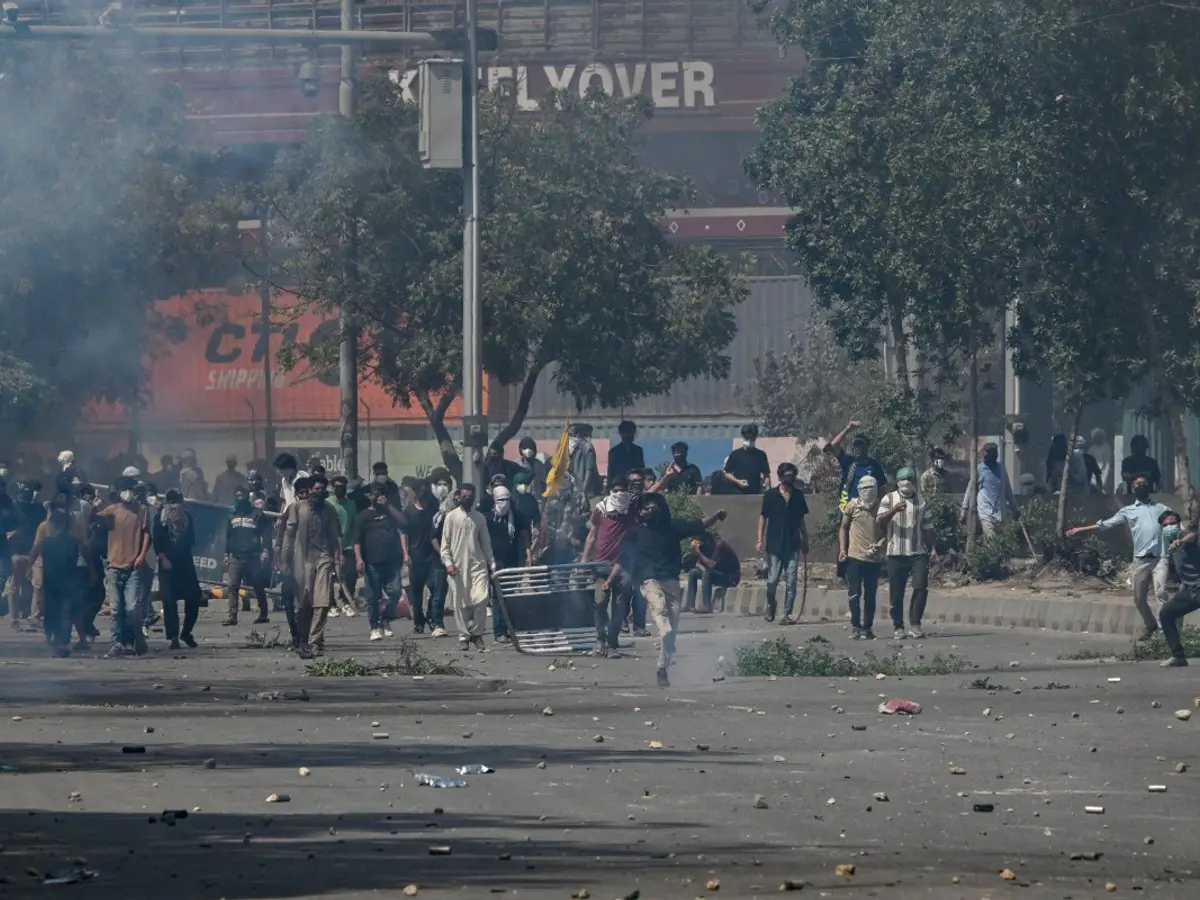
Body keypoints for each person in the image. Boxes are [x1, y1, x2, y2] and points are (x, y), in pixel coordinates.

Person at [616, 492, 726, 687]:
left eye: (654, 506)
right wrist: (624, 575)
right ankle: (664, 630)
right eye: (646, 507)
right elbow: (623, 556)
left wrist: (716, 516)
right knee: (659, 608)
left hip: (671, 579)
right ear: (641, 510)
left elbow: (698, 524)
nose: (650, 510)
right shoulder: (635, 531)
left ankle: (662, 668)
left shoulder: (672, 527)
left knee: (672, 623)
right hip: (648, 580)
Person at [1066, 474, 1166, 638]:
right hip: (1141, 559)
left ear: (1149, 487)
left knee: (1161, 593)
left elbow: (1176, 525)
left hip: (1160, 558)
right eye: (1137, 484)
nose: (1140, 486)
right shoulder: (1128, 511)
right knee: (1139, 598)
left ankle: (1163, 631)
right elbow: (1106, 524)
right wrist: (1080, 530)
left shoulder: (1161, 508)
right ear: (1133, 489)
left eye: (1144, 483)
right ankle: (1151, 625)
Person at [282, 473, 342, 658]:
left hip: (323, 559)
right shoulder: (297, 508)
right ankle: (302, 639)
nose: (320, 492)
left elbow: (334, 536)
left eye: (323, 489)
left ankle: (314, 642)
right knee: (304, 604)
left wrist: (338, 559)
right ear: (310, 490)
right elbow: (289, 535)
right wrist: (284, 559)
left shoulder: (329, 510)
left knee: (322, 602)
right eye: (317, 488)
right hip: (302, 561)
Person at [878, 466, 937, 640]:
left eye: (910, 479)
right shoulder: (889, 499)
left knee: (920, 587)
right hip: (895, 551)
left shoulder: (922, 500)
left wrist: (933, 548)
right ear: (896, 482)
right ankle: (898, 626)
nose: (906, 482)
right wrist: (894, 510)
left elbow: (928, 527)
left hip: (917, 551)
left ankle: (915, 624)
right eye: (903, 479)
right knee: (896, 592)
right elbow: (880, 522)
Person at [583, 474, 639, 657]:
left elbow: (650, 493)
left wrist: (666, 478)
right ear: (610, 491)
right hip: (601, 564)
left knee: (620, 607)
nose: (619, 493)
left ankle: (612, 643)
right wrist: (584, 559)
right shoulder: (601, 509)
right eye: (616, 490)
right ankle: (601, 639)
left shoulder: (630, 508)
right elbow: (592, 535)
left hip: (623, 567)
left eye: (623, 490)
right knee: (599, 603)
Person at [96, 475, 152, 657]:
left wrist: (142, 555)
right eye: (125, 489)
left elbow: (146, 534)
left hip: (133, 567)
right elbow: (93, 521)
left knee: (131, 609)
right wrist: (94, 508)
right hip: (113, 567)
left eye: (131, 489)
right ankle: (116, 644)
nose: (128, 493)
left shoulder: (141, 511)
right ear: (119, 492)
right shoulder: (111, 511)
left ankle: (137, 638)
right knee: (115, 610)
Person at [438, 483, 495, 650]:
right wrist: (448, 564)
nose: (467, 499)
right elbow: (445, 546)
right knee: (460, 603)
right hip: (457, 567)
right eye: (464, 496)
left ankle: (477, 634)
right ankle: (464, 637)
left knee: (482, 598)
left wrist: (492, 564)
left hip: (478, 565)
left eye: (470, 496)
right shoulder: (451, 517)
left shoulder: (480, 518)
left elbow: (486, 544)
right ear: (458, 497)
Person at [28, 506, 86, 657]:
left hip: (54, 583)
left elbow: (33, 553)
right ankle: (61, 643)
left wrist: (29, 568)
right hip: (65, 583)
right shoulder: (71, 542)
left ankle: (58, 642)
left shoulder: (47, 542)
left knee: (54, 613)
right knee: (63, 613)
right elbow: (86, 552)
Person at [756, 462, 809, 624]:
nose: (789, 478)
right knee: (772, 580)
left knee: (791, 581)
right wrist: (759, 540)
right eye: (786, 475)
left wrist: (805, 539)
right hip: (774, 544)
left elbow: (801, 520)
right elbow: (763, 517)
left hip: (792, 544)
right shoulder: (771, 495)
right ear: (780, 477)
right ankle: (771, 605)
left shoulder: (798, 496)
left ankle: (787, 613)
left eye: (792, 475)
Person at [354, 482, 408, 641]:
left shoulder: (390, 513)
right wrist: (358, 559)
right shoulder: (362, 516)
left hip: (392, 561)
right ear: (369, 496)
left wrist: (388, 506)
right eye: (374, 494)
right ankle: (374, 627)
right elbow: (356, 540)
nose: (377, 497)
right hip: (372, 562)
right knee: (373, 596)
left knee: (396, 592)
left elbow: (404, 523)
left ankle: (385, 618)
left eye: (380, 494)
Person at [153, 489, 202, 651]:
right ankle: (173, 637)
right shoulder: (159, 518)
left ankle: (186, 632)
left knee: (195, 598)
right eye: (170, 502)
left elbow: (193, 540)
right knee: (168, 601)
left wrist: (179, 524)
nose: (173, 505)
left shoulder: (187, 517)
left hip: (185, 564)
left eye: (176, 502)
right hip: (167, 566)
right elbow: (157, 541)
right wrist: (163, 558)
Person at [838, 474, 885, 639]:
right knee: (854, 592)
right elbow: (843, 527)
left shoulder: (882, 507)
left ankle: (868, 627)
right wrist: (843, 549)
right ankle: (856, 626)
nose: (868, 491)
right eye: (864, 488)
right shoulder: (852, 506)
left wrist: (879, 545)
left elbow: (889, 531)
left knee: (870, 594)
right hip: (854, 556)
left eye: (871, 488)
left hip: (874, 558)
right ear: (858, 490)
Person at [222, 484, 272, 627]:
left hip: (253, 556)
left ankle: (263, 614)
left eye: (242, 495)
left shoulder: (257, 513)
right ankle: (232, 616)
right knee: (232, 587)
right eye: (237, 496)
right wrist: (226, 554)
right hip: (236, 556)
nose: (240, 498)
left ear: (247, 497)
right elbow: (227, 535)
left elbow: (266, 533)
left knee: (257, 585)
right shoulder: (232, 514)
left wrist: (265, 550)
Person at [402, 479, 446, 636]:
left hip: (433, 555)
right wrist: (405, 554)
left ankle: (433, 619)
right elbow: (404, 533)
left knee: (437, 588)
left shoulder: (433, 511)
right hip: (416, 556)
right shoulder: (408, 512)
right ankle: (418, 623)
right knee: (417, 593)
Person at [1157, 509, 1199, 667]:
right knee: (1166, 614)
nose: (1169, 527)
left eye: (1172, 523)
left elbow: (1192, 536)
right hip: (1189, 590)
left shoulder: (1184, 536)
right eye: (1166, 525)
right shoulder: (1170, 546)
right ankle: (1178, 656)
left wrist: (1181, 541)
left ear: (1178, 524)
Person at [823, 421, 887, 516]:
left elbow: (882, 489)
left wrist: (878, 508)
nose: (856, 448)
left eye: (860, 445)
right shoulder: (848, 462)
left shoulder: (874, 465)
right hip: (847, 509)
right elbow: (833, 446)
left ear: (866, 448)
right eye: (855, 445)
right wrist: (848, 429)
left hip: (867, 511)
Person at [962, 442, 1020, 539]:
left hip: (1000, 513)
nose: (986, 456)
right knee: (992, 541)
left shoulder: (1001, 468)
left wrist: (1015, 508)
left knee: (1001, 543)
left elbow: (1008, 490)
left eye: (991, 453)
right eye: (986, 453)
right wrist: (964, 510)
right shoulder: (979, 469)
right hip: (986, 512)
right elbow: (970, 489)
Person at [683, 531, 740, 615]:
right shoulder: (708, 548)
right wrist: (698, 560)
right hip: (718, 574)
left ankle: (707, 606)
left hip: (730, 578)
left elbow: (711, 565)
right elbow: (702, 567)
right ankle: (689, 604)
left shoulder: (720, 545)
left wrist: (699, 553)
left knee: (707, 573)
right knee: (693, 572)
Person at [327, 475, 360, 619]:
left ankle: (346, 602)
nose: (339, 489)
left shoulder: (352, 504)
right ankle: (331, 604)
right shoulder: (328, 503)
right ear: (333, 488)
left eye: (342, 487)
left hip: (348, 546)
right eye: (337, 487)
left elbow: (353, 526)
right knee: (330, 576)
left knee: (351, 574)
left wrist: (354, 545)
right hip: (330, 546)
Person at [568, 424, 601, 500]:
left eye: (570, 434)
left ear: (578, 434)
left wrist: (583, 491)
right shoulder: (571, 449)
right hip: (573, 491)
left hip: (585, 492)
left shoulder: (587, 447)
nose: (569, 437)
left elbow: (589, 470)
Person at [1088, 428, 1114, 493]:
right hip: (1092, 477)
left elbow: (1108, 465)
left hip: (1103, 476)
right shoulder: (1092, 449)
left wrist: (1104, 480)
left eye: (1098, 437)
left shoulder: (1107, 448)